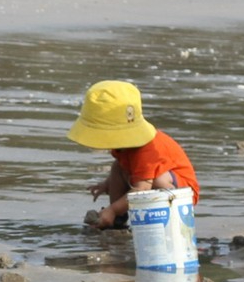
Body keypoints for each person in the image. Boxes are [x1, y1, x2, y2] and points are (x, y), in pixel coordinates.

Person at [67, 80, 200, 230]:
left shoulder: (149, 149)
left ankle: (167, 220)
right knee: (118, 166)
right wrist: (107, 183)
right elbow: (125, 168)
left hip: (181, 194)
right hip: (147, 183)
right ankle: (117, 220)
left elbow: (141, 189)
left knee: (157, 179)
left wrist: (112, 209)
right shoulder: (124, 145)